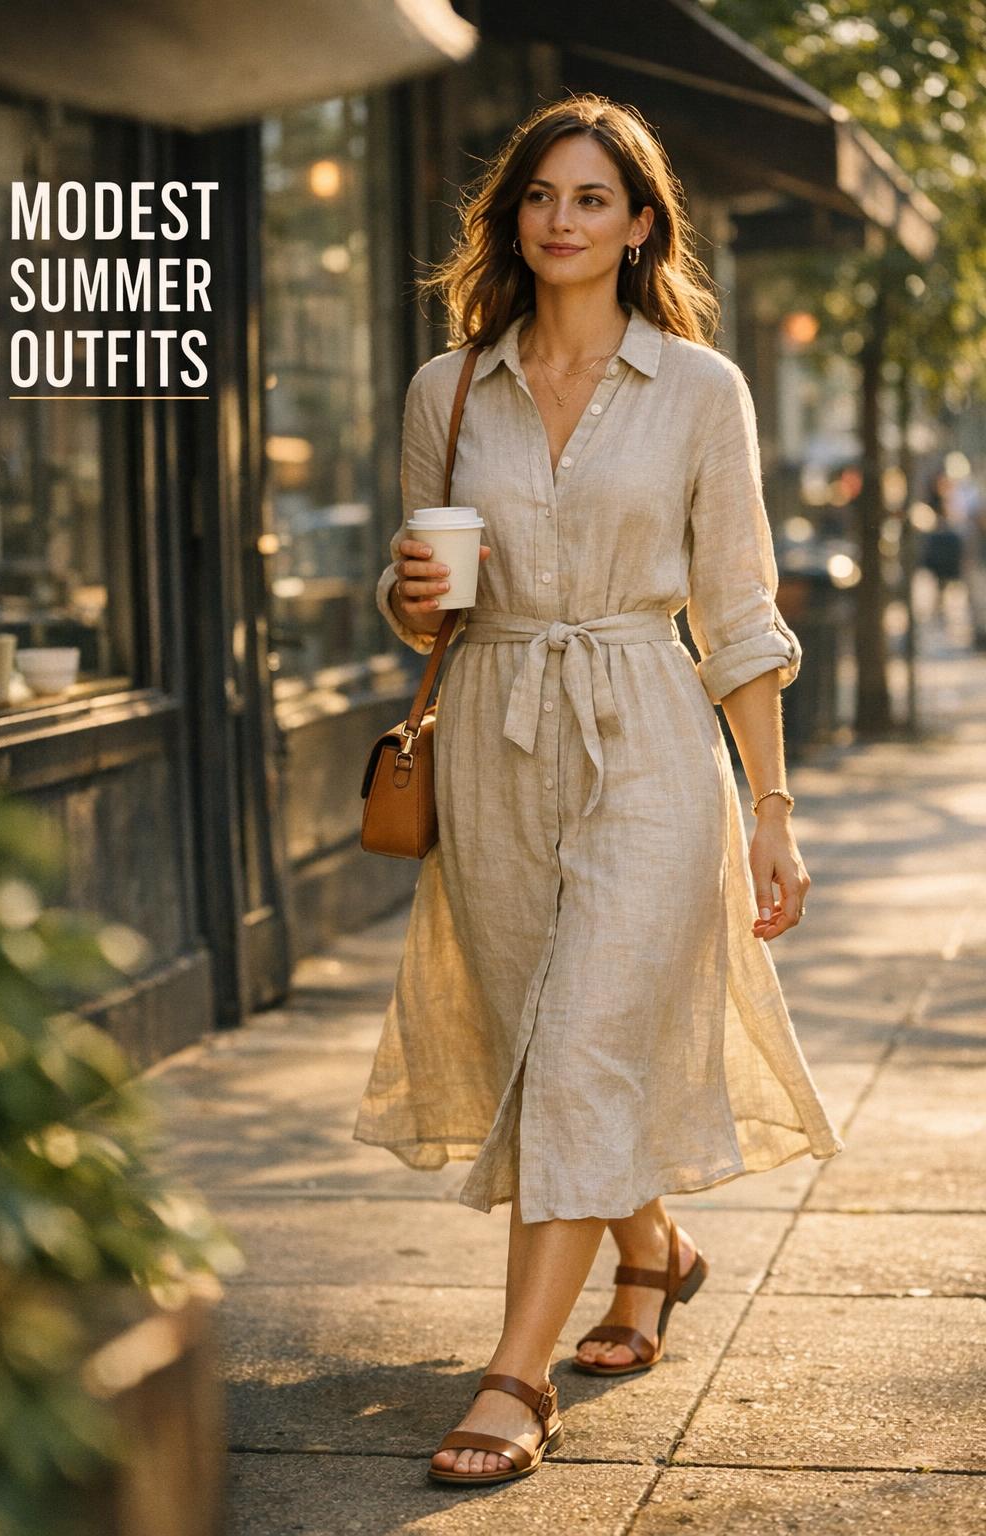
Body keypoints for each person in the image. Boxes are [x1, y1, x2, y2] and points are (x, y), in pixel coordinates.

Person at [354, 94, 843, 1488]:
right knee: (553, 1047)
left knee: (579, 1046)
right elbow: (421, 618)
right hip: (497, 734)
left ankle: (515, 1375)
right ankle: (657, 1254)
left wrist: (770, 813)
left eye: (590, 199)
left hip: (643, 735)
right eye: (538, 198)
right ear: (513, 221)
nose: (560, 220)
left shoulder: (701, 390)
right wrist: (407, 596)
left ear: (640, 227)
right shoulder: (445, 392)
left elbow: (738, 616)